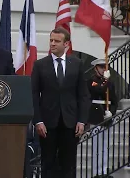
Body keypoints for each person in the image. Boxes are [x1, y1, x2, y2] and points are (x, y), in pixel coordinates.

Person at [30, 27, 90, 178]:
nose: (52, 44)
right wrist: (38, 121)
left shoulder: (77, 64)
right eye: (51, 40)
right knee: (47, 164)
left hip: (70, 123)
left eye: (57, 41)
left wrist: (82, 121)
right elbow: (34, 94)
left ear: (66, 44)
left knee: (68, 165)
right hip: (47, 124)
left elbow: (83, 95)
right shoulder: (40, 65)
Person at [87, 59, 117, 178]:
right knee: (97, 145)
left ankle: (104, 170)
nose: (104, 69)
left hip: (106, 113)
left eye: (105, 67)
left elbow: (114, 100)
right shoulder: (92, 81)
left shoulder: (110, 83)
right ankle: (96, 172)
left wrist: (112, 112)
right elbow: (99, 89)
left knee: (105, 144)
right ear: (95, 68)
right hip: (96, 113)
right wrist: (106, 80)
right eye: (101, 67)